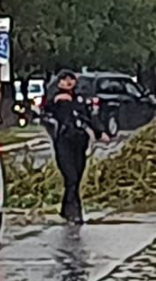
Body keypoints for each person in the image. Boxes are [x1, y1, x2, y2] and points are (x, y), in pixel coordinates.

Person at [39, 69, 110, 224]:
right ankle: (74, 213)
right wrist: (55, 102)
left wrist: (100, 133)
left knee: (76, 179)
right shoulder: (53, 101)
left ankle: (66, 209)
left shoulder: (80, 99)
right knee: (70, 177)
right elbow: (44, 115)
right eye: (64, 79)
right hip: (63, 142)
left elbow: (90, 117)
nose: (68, 82)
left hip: (80, 141)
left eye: (71, 79)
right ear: (58, 83)